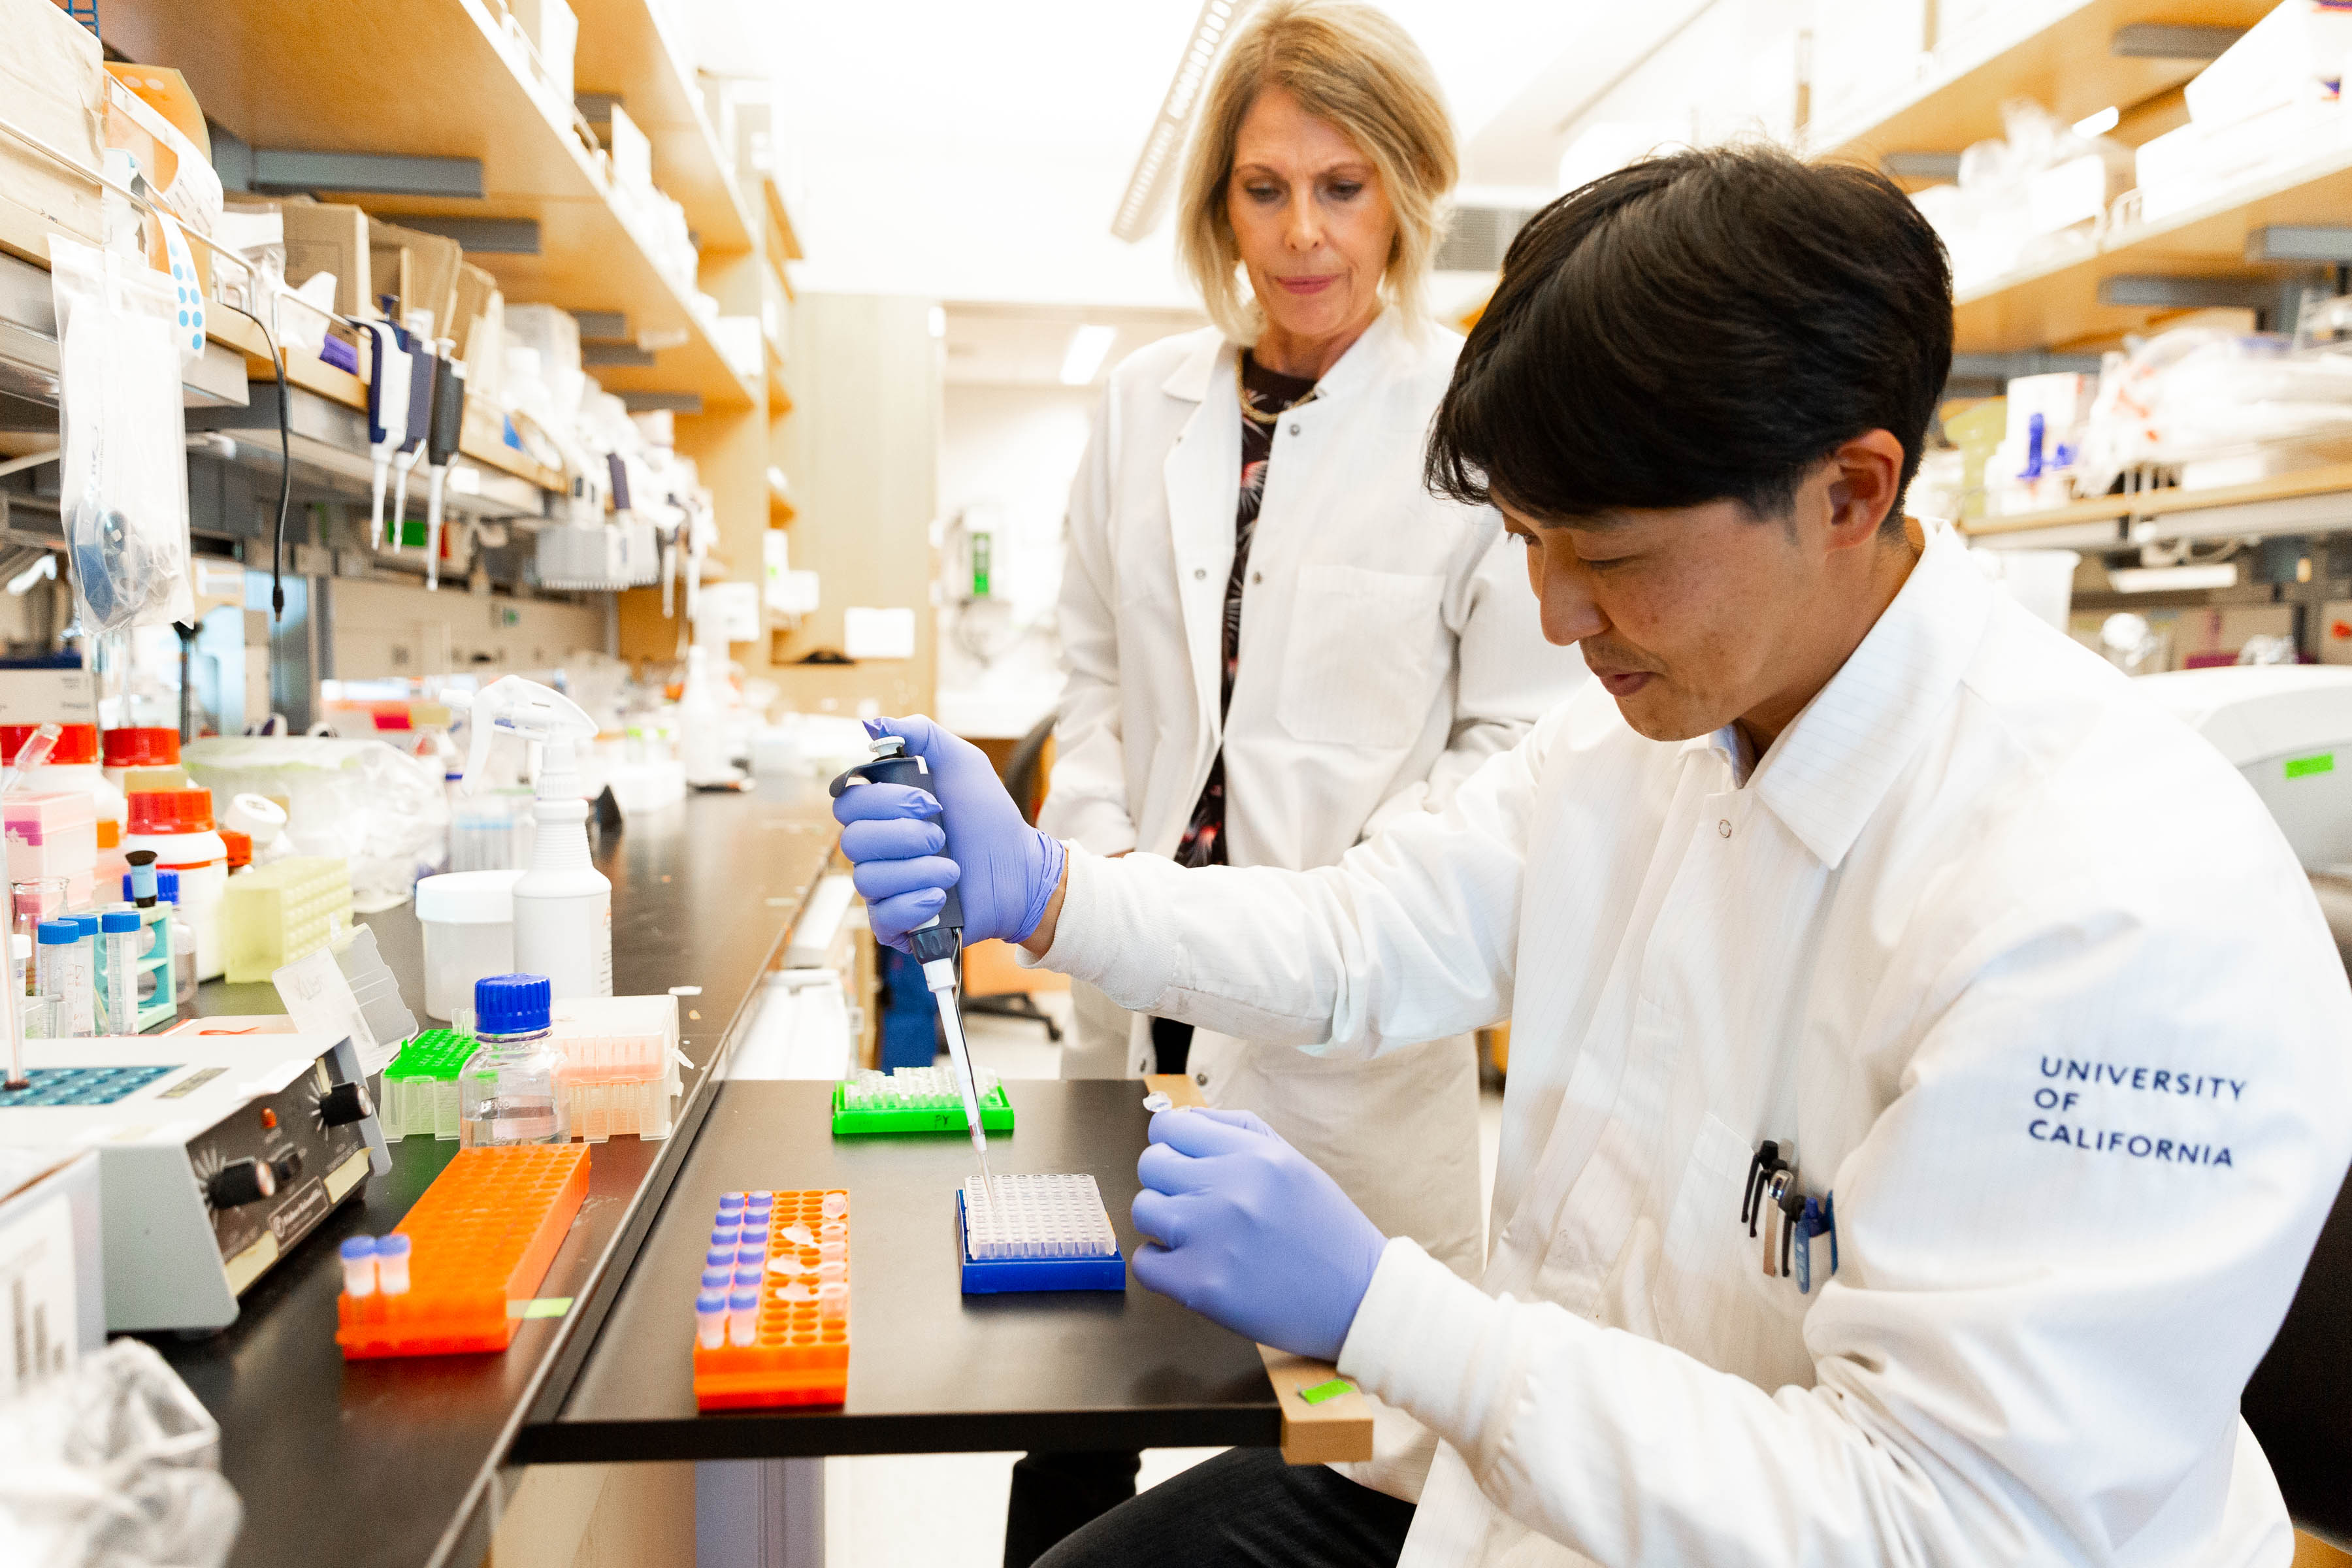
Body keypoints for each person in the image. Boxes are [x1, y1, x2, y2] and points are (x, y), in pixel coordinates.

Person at [836, 144, 2352, 1567]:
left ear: (1851, 490)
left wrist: (1389, 1312)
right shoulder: (1658, 738)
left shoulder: (2109, 906)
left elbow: (1925, 1520)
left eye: (1611, 556)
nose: (1557, 619)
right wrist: (1050, 890)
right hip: (1555, 1489)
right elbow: (1368, 940)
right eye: (1527, 544)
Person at [1015, 2, 1575, 1558]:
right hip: (1132, 999)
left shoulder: (1476, 423)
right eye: (1265, 190)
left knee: (1337, 1453)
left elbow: (1510, 745)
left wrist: (1347, 913)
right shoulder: (1142, 405)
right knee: (1072, 1401)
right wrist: (1104, 880)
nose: (1304, 233)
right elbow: (1094, 678)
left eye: (1343, 186)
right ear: (1220, 204)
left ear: (1408, 193)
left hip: (1346, 1030)